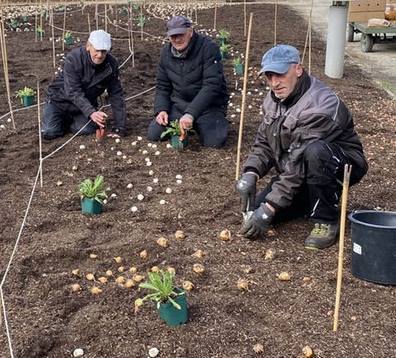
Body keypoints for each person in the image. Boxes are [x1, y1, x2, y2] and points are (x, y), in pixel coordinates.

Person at [235, 45, 367, 250]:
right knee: (257, 210)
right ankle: (307, 201)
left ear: (298, 69)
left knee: (315, 153)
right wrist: (251, 173)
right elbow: (264, 143)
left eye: (279, 74)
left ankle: (326, 220)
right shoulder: (273, 100)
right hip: (298, 165)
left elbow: (299, 160)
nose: (274, 83)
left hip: (340, 164)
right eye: (269, 76)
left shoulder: (320, 104)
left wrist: (269, 208)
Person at [148, 15, 230, 147]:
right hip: (180, 104)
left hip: (208, 106)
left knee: (215, 142)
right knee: (154, 134)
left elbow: (212, 85)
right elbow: (162, 86)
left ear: (190, 32)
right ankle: (190, 125)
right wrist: (161, 109)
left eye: (181, 34)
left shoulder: (208, 48)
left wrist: (191, 114)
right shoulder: (165, 54)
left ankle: (206, 123)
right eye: (173, 36)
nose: (177, 39)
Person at [41, 30, 127, 139]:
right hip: (59, 101)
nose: (100, 55)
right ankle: (60, 119)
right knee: (49, 133)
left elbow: (116, 94)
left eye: (104, 51)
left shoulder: (111, 64)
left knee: (87, 129)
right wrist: (91, 112)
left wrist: (120, 127)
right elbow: (72, 91)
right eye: (97, 50)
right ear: (88, 46)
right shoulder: (74, 58)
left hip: (84, 104)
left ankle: (73, 120)